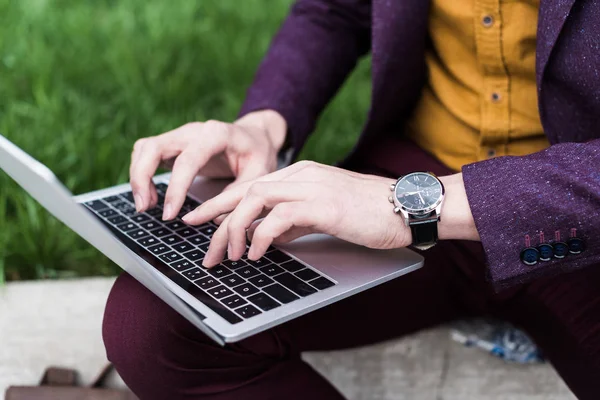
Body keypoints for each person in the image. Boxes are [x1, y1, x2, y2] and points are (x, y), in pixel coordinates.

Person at [102, 0, 600, 399]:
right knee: (155, 327)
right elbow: (336, 10)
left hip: (579, 228)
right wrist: (263, 124)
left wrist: (407, 206)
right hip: (412, 167)